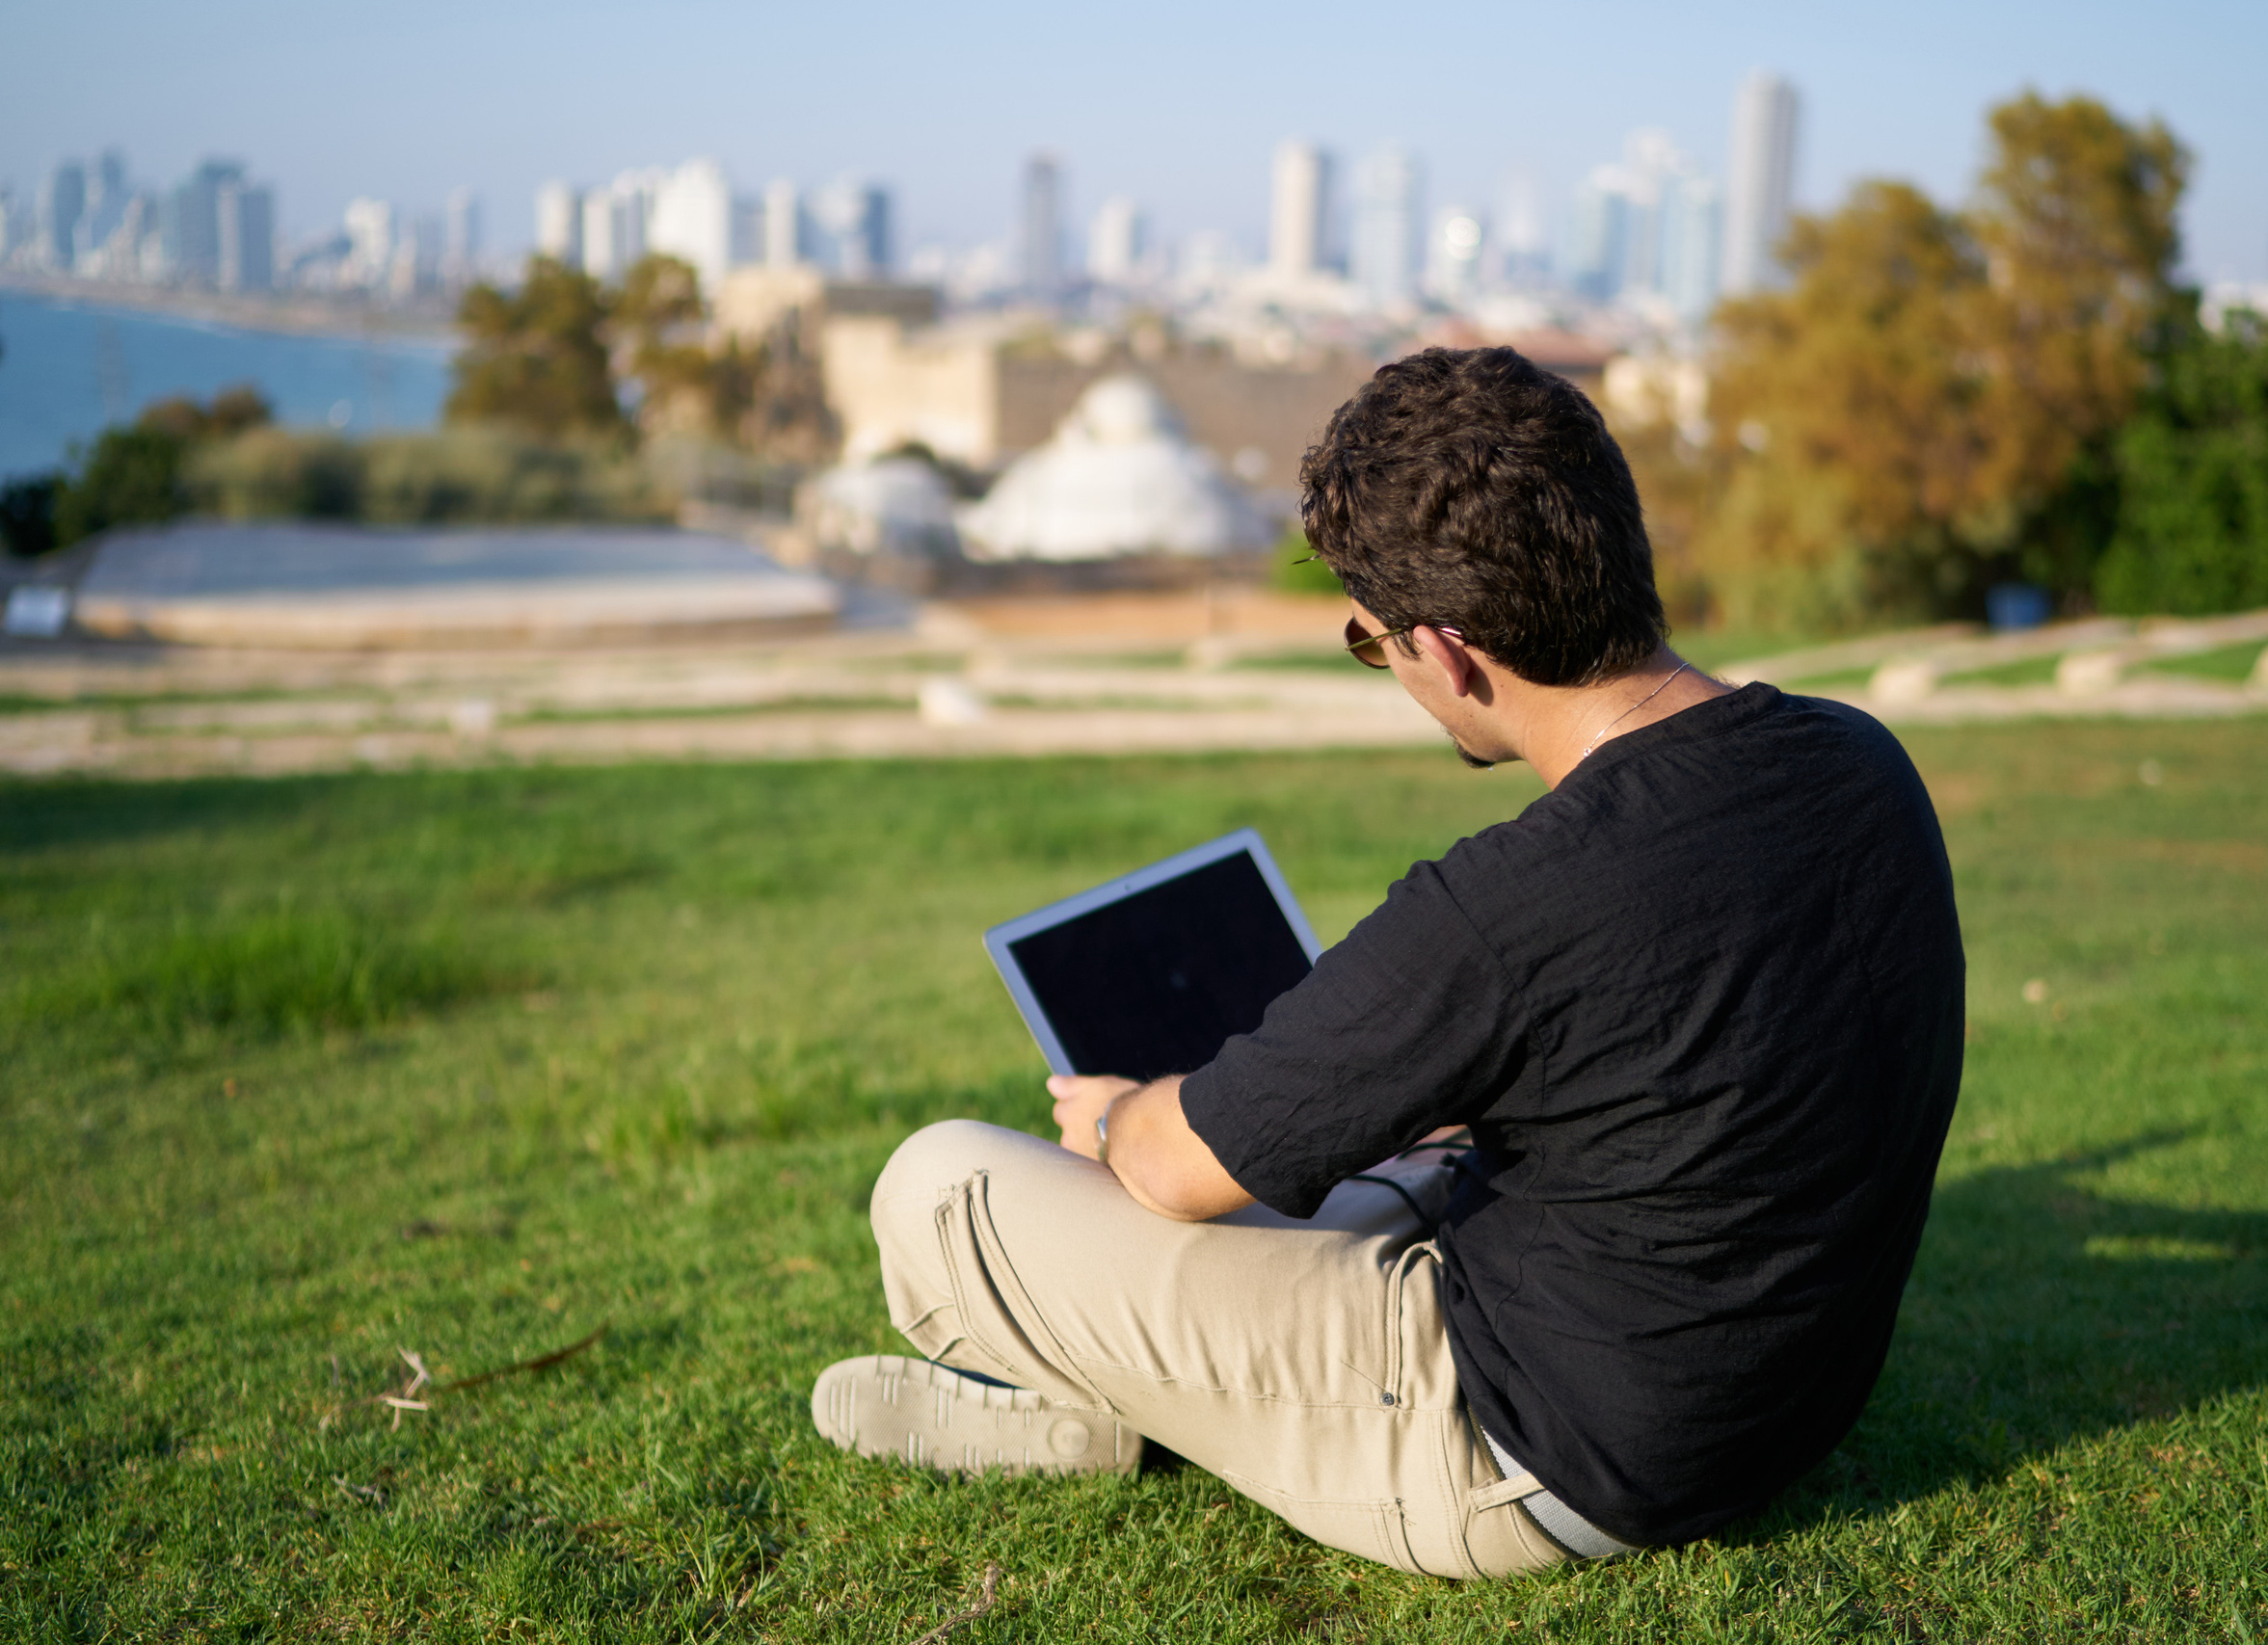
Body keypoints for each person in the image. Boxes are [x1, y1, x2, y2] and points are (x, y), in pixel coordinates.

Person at [811, 346, 1965, 1578]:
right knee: (1381, 1155)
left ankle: (1136, 1409)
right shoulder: (1860, 762)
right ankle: (1154, 1393)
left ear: (1450, 652)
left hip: (1524, 1456)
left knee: (940, 1187)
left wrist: (1114, 1118)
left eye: (1377, 647)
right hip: (1776, 1411)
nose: (1397, 677)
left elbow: (1174, 1170)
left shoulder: (1512, 902)